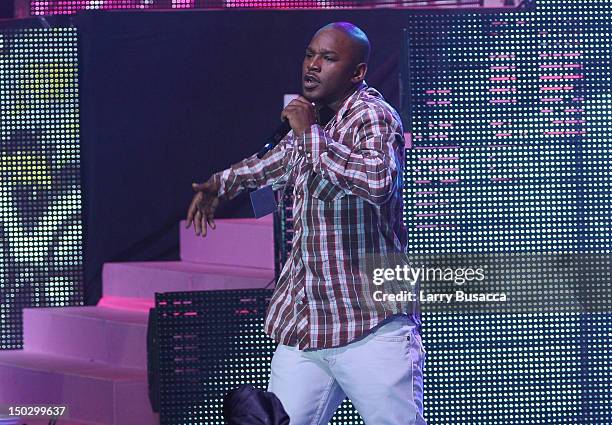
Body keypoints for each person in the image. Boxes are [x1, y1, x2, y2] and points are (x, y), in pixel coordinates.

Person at [186, 22, 427, 425]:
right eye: (310, 54)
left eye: (328, 58)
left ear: (357, 72)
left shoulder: (373, 116)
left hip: (369, 325)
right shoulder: (316, 122)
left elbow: (376, 182)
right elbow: (273, 163)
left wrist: (310, 133)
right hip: (308, 327)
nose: (313, 66)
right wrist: (220, 185)